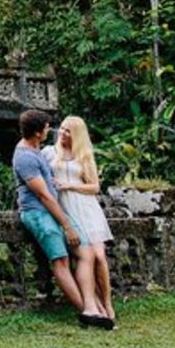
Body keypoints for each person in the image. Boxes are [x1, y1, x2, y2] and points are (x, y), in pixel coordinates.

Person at [12, 109, 112, 329]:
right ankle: (87, 310)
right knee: (61, 259)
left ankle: (92, 305)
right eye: (48, 127)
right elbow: (43, 195)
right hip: (38, 213)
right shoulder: (25, 157)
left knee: (86, 253)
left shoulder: (37, 149)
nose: (52, 130)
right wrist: (67, 225)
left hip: (54, 210)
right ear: (38, 133)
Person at [44, 116, 115, 322]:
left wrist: (69, 185)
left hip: (86, 207)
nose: (63, 134)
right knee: (84, 255)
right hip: (65, 208)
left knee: (99, 256)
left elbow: (94, 187)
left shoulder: (83, 155)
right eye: (62, 129)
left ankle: (107, 301)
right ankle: (93, 303)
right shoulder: (49, 153)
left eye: (68, 131)